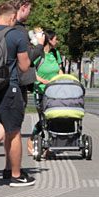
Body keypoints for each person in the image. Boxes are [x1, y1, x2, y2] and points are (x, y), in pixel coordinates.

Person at [0, 1, 35, 186]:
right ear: (13, 17)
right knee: (13, 131)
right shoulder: (16, 34)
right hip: (8, 89)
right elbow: (24, 66)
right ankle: (15, 174)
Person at [27, 29, 63, 157]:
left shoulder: (55, 53)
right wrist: (45, 81)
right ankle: (32, 140)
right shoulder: (38, 53)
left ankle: (48, 145)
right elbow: (31, 72)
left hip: (55, 91)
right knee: (44, 118)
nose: (57, 41)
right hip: (41, 90)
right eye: (55, 39)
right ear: (49, 40)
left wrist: (64, 80)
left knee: (54, 117)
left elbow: (59, 70)